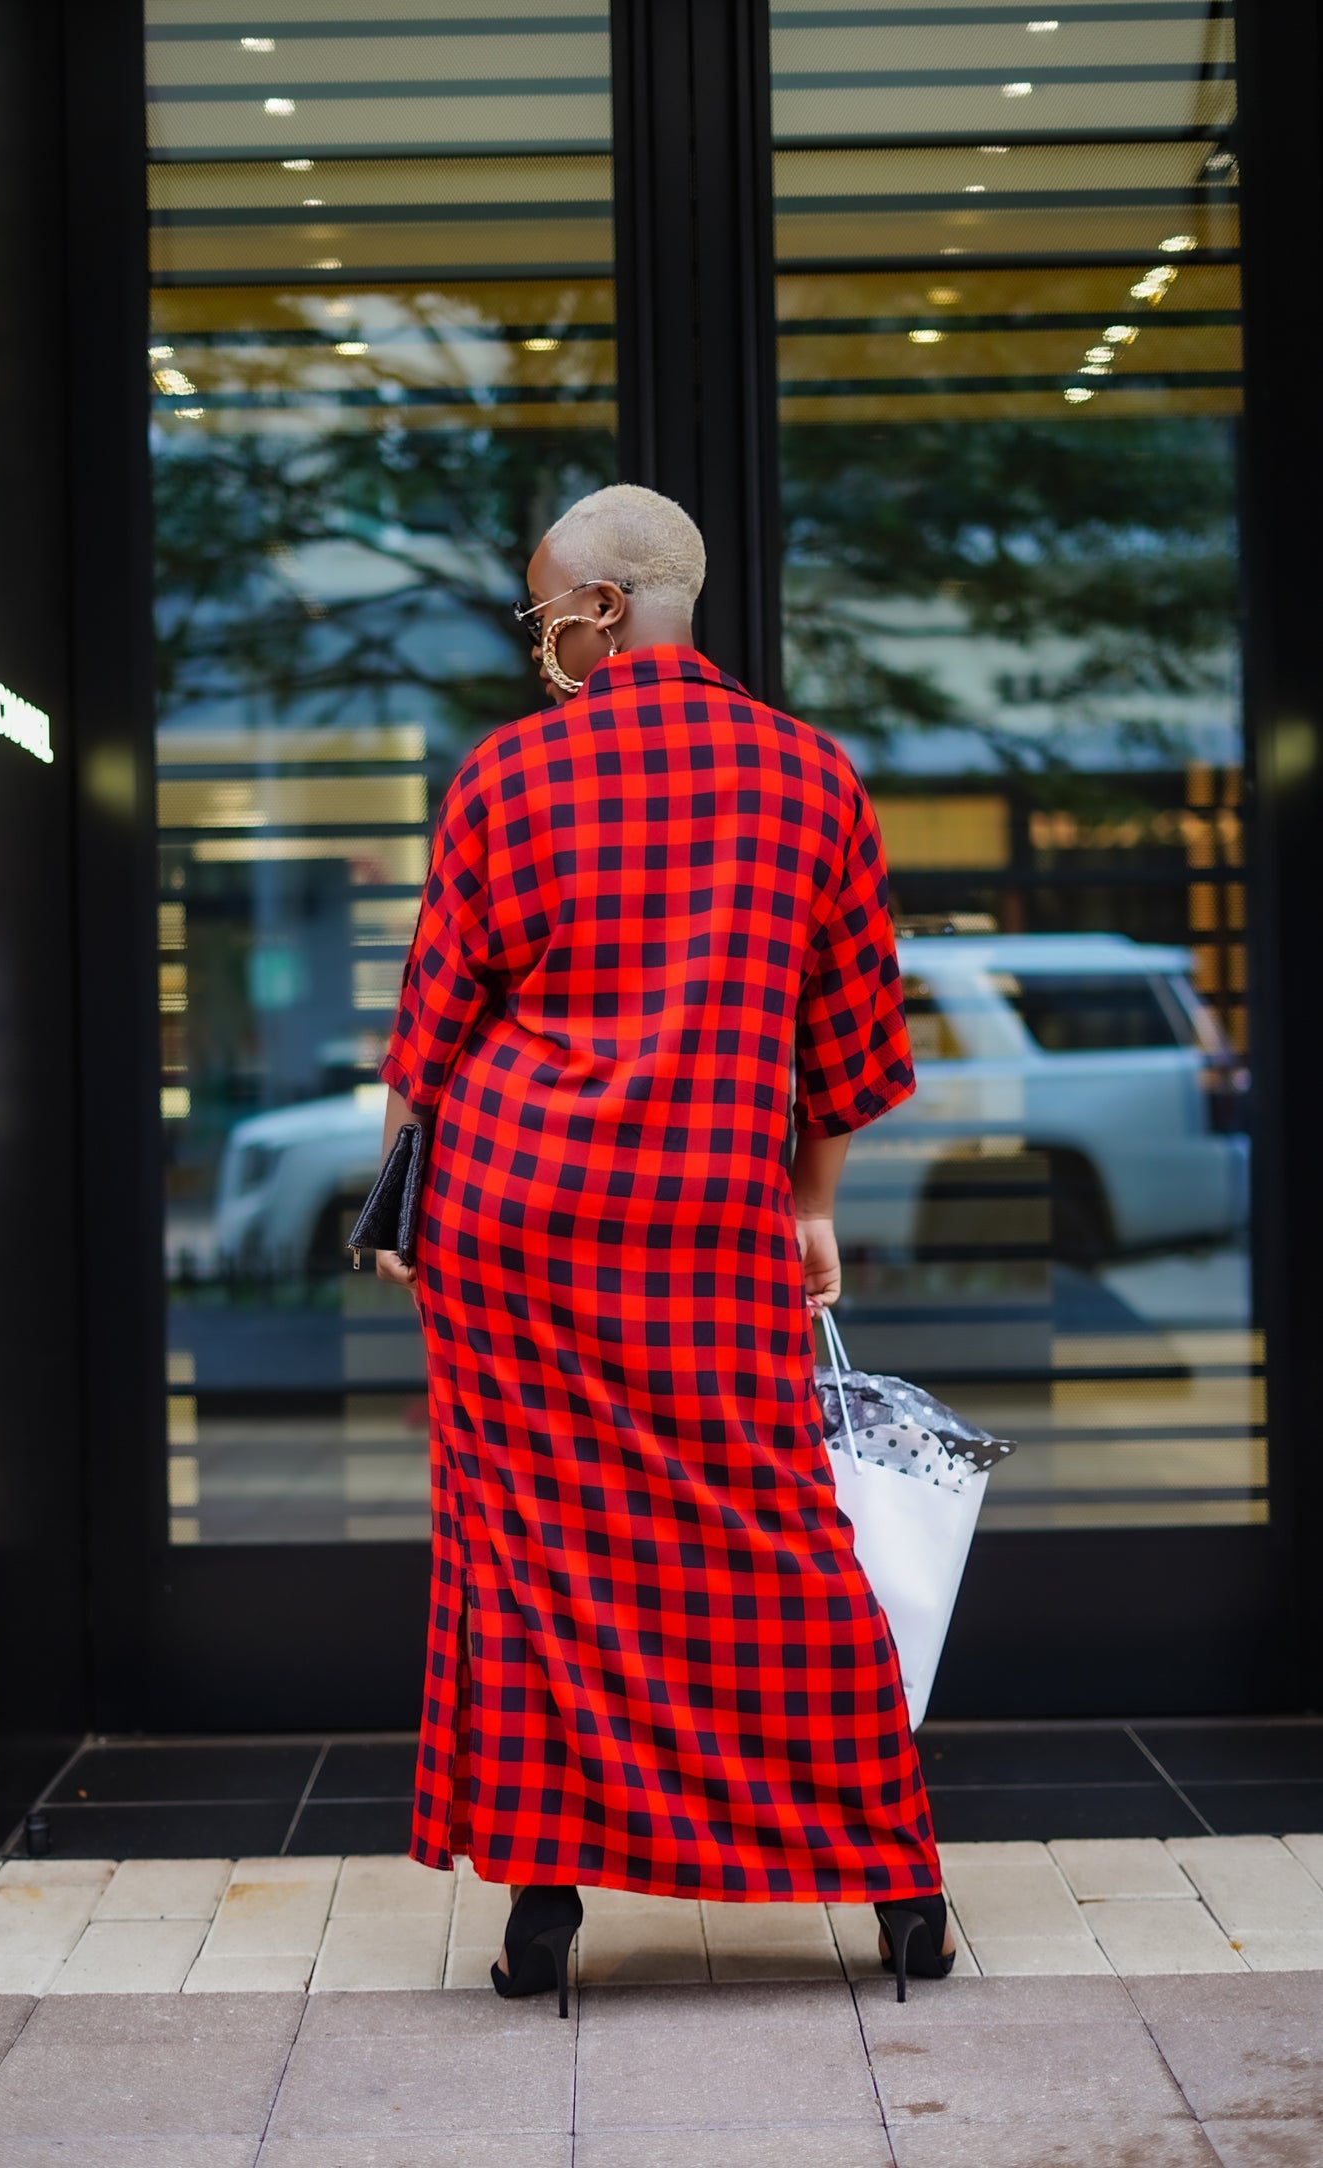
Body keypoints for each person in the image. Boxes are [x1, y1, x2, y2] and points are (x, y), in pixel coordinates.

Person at [376, 484, 953, 2010]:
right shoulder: (809, 780)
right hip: (709, 1223)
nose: (539, 639)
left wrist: (399, 1203)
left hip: (515, 1225)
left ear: (607, 606)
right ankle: (897, 1885)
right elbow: (849, 1038)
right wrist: (808, 1202)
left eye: (544, 610)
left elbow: (434, 1027)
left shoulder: (507, 777)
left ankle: (543, 1906)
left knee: (528, 1557)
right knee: (773, 1543)